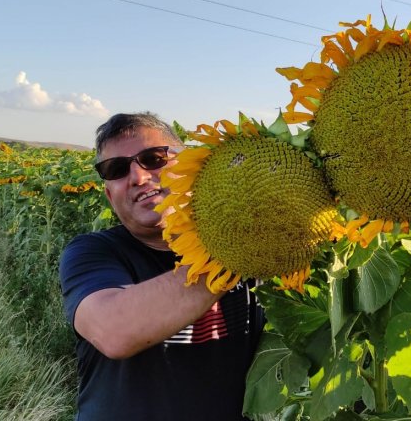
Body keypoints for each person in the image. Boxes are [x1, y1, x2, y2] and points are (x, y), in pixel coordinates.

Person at [59, 112, 262, 421]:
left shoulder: (252, 248)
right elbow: (114, 330)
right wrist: (241, 245)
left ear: (187, 164)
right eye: (116, 169)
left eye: (153, 158)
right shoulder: (93, 252)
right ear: (109, 194)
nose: (139, 177)